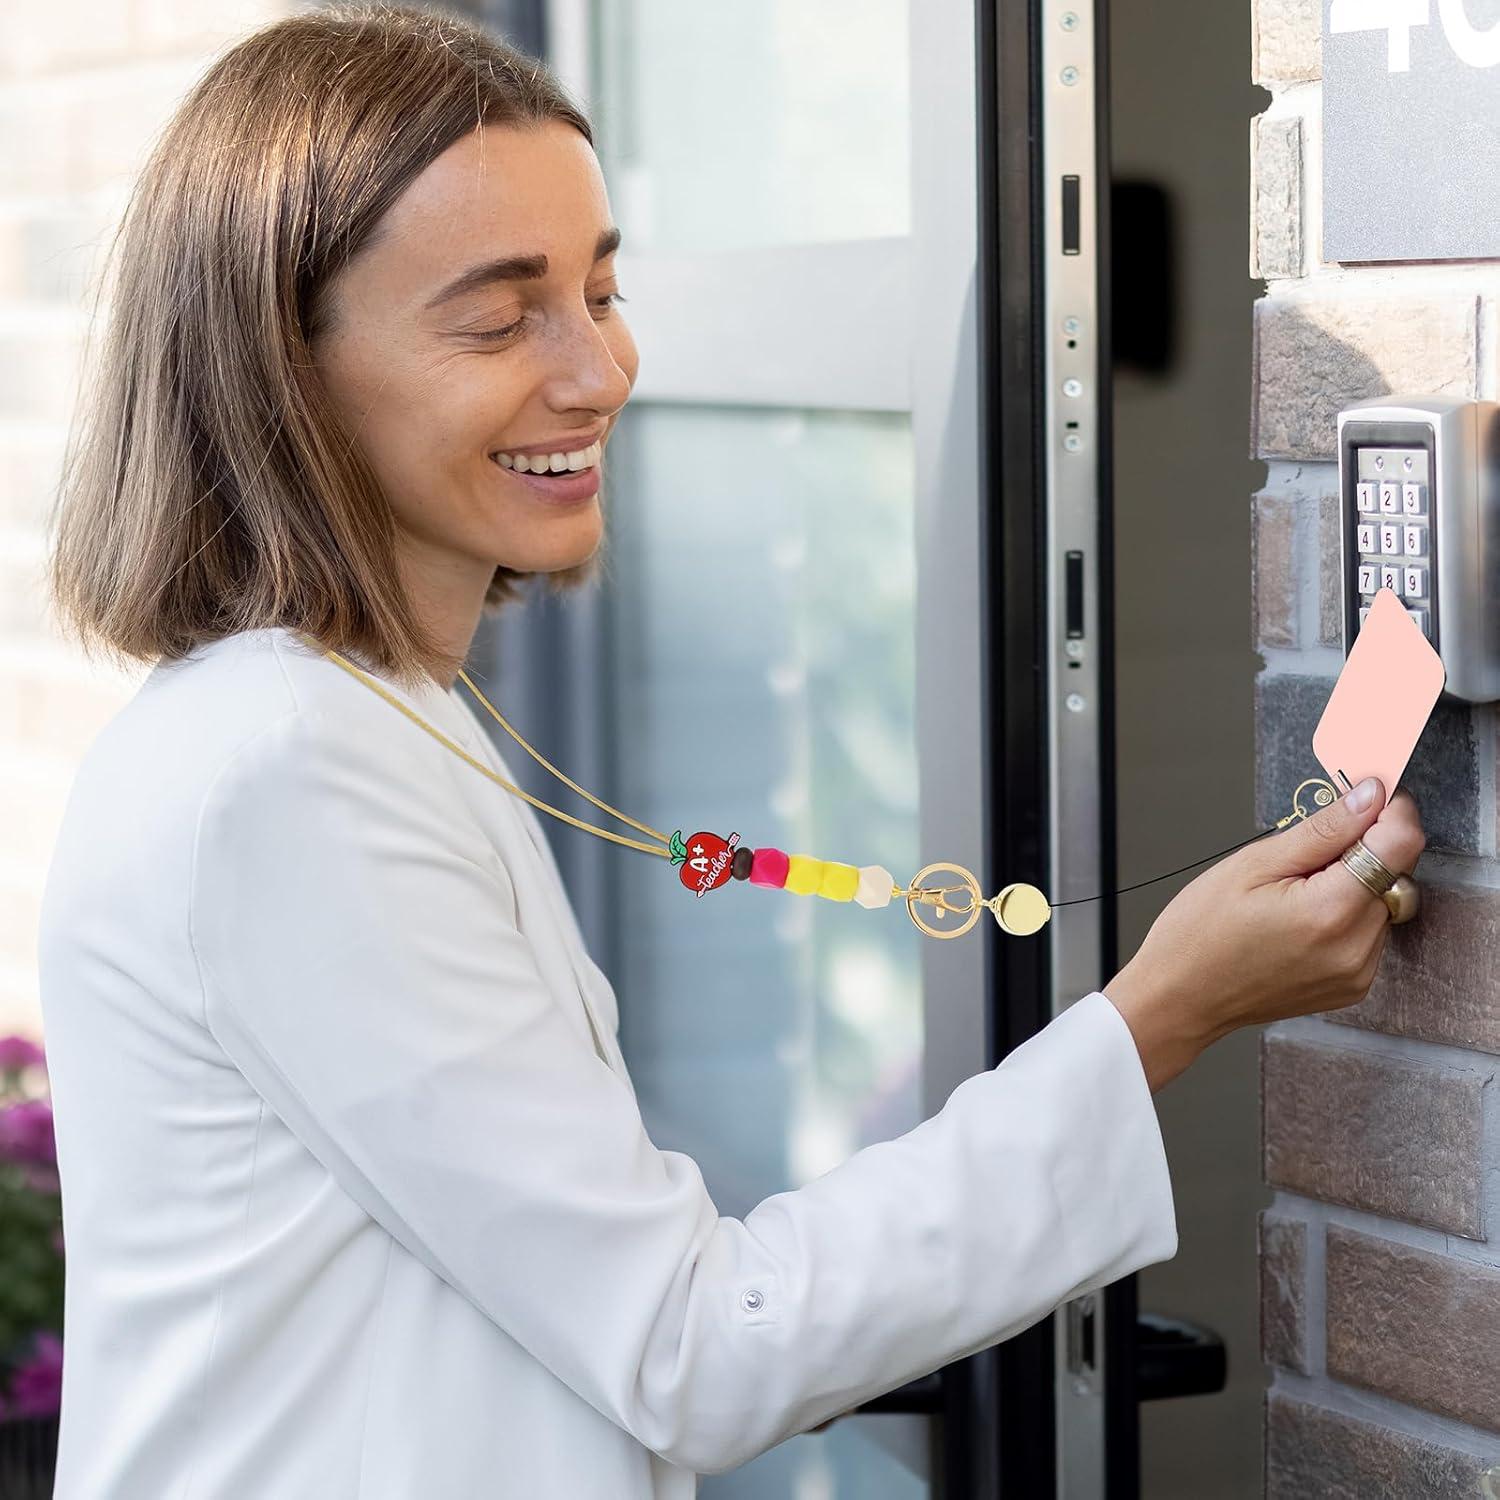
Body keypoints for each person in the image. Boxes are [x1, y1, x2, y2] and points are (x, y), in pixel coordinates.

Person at [35, 6, 1426, 1497]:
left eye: (602, 287)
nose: (598, 371)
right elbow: (693, 1348)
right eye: (502, 318)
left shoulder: (377, 710)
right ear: (282, 371)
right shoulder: (288, 773)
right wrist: (1162, 1014)